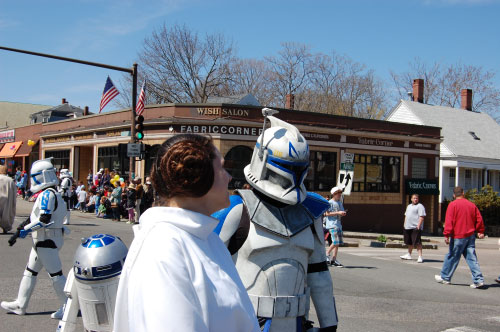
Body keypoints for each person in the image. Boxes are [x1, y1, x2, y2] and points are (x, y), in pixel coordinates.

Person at [114, 133, 259, 332]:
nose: (229, 177)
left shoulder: (207, 239)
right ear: (197, 176)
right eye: (222, 168)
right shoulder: (163, 247)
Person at [213, 109, 338, 331]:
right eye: (288, 167)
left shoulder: (310, 212)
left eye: (298, 169)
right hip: (246, 322)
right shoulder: (235, 210)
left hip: (297, 323)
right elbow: (205, 272)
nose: (293, 175)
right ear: (262, 159)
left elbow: (318, 274)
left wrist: (329, 324)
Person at [1, 158, 67, 319]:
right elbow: (34, 217)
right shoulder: (50, 194)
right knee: (30, 272)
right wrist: (23, 227)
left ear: (43, 176)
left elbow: (44, 219)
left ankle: (68, 305)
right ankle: (21, 304)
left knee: (56, 274)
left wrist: (26, 229)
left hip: (47, 240)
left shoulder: (48, 195)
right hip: (42, 240)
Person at [435, 186, 485, 289]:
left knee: (452, 256)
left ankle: (445, 277)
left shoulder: (452, 205)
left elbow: (449, 221)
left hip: (458, 235)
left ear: (454, 195)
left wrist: (446, 234)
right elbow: (479, 219)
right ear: (463, 193)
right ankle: (478, 280)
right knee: (472, 258)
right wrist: (480, 231)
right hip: (470, 235)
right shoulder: (471, 205)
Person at [400, 194, 426, 263]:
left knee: (417, 242)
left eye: (416, 198)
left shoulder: (420, 206)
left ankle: (420, 257)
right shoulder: (409, 206)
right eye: (414, 198)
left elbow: (422, 216)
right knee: (409, 242)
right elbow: (406, 215)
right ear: (411, 199)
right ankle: (409, 254)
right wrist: (404, 224)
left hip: (415, 227)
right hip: (408, 227)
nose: (415, 199)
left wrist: (418, 226)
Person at [325, 186, 347, 267]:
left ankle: (334, 260)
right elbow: (326, 214)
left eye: (340, 194)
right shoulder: (330, 203)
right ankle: (326, 254)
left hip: (338, 225)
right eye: (338, 194)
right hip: (332, 225)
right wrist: (338, 213)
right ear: (334, 194)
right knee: (335, 242)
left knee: (337, 244)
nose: (339, 195)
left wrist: (343, 213)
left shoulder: (339, 203)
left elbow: (341, 212)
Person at [0, 165, 16, 233]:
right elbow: (14, 192)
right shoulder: (10, 180)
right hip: (7, 198)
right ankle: (5, 228)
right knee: (6, 213)